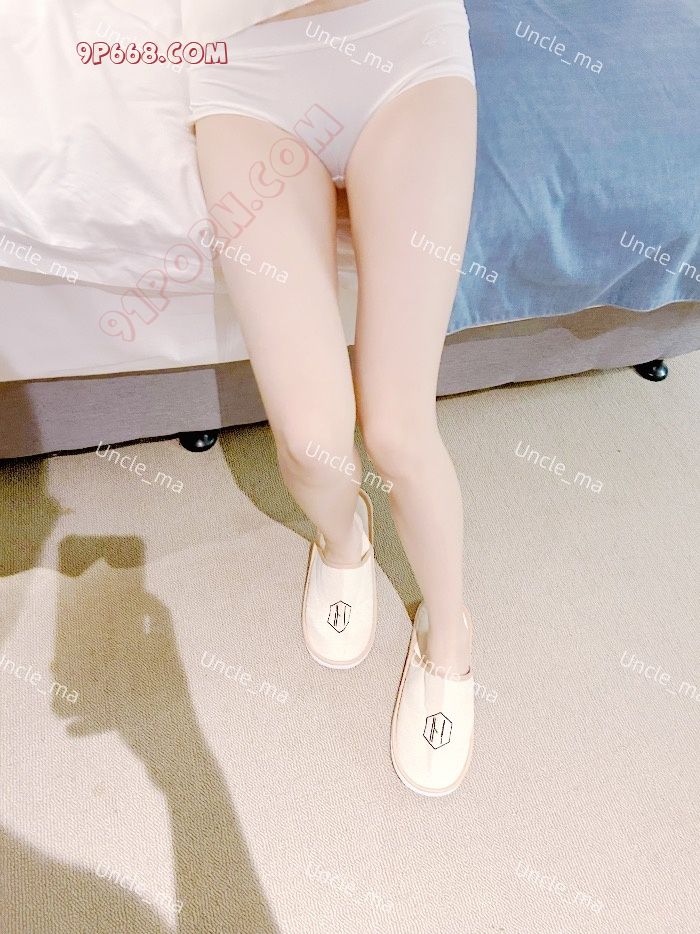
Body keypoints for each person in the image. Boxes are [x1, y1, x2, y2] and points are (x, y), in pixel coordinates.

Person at [187, 0, 477, 796]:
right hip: (246, 64)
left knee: (398, 431)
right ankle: (344, 540)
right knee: (312, 440)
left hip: (402, 46)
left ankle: (450, 633)